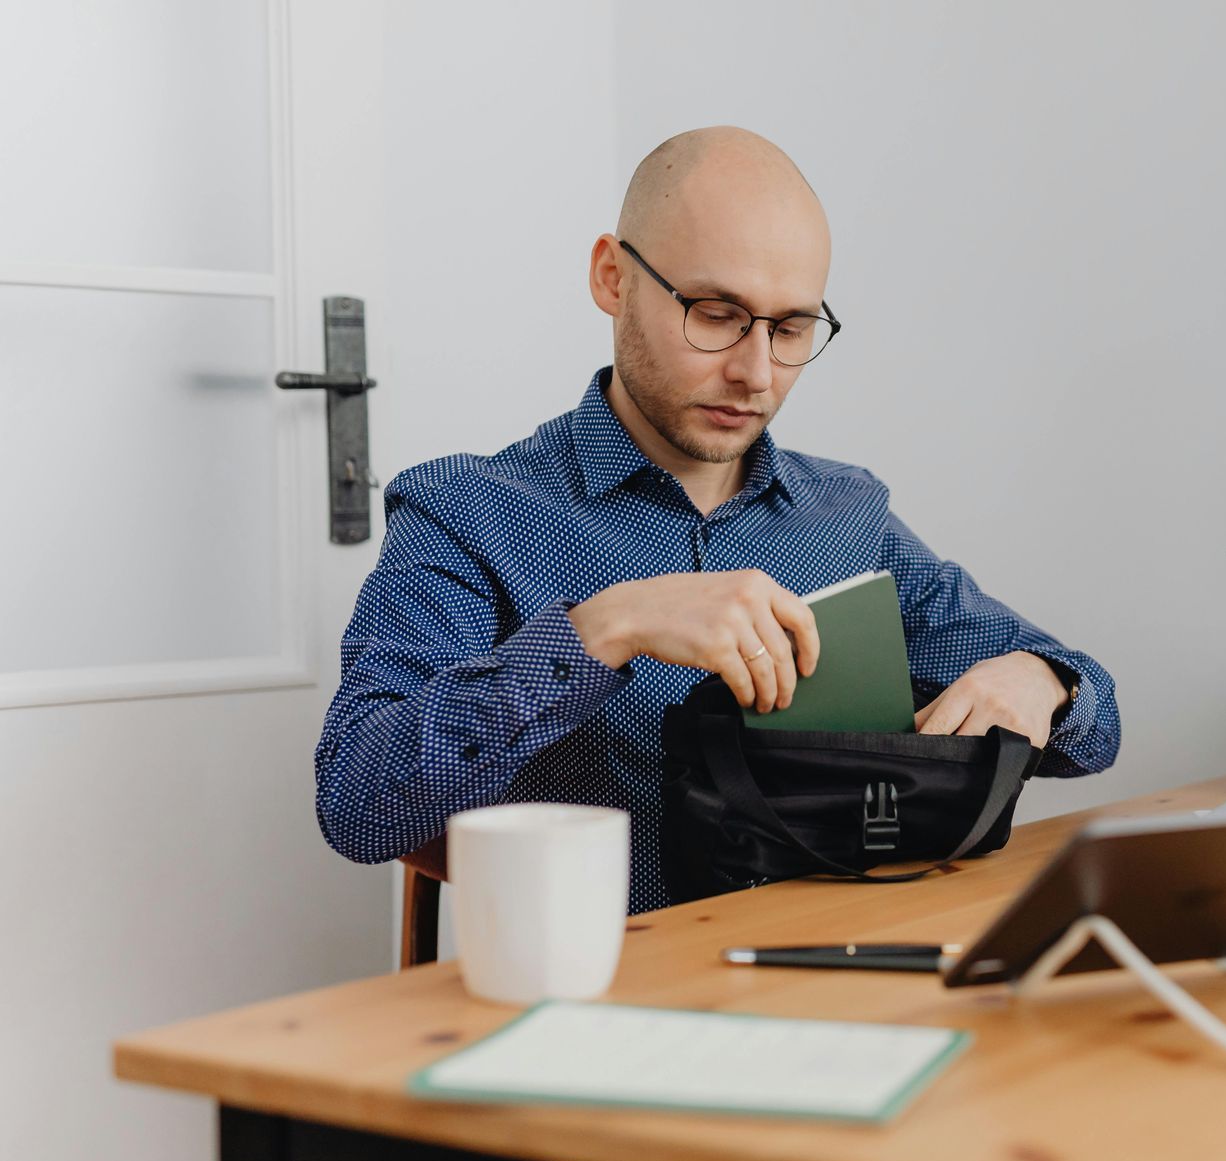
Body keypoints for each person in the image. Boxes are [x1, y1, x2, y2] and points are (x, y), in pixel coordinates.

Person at [315, 126, 1121, 913]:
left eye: (792, 327)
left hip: (840, 981)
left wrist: (1043, 681)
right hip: (607, 1009)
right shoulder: (467, 511)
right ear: (612, 278)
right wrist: (604, 628)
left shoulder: (849, 516)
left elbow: (1098, 729)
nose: (755, 372)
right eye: (715, 311)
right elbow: (357, 802)